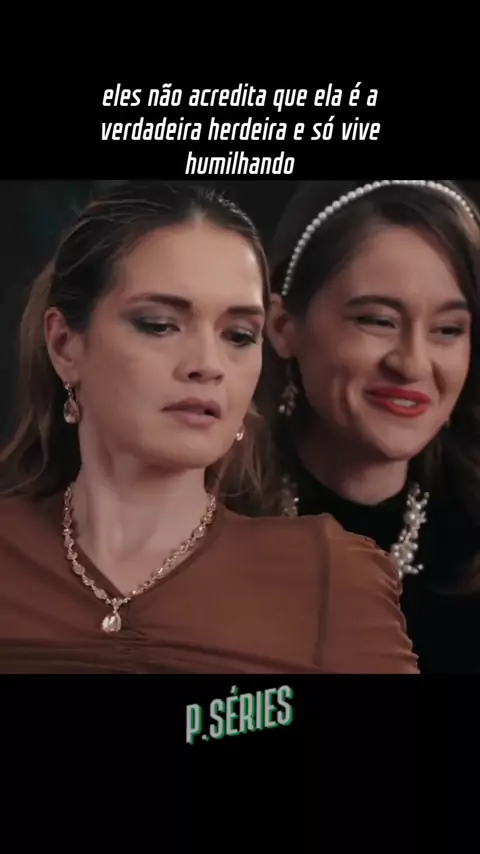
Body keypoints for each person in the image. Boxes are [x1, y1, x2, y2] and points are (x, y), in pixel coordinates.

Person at [0, 179, 418, 675]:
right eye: (160, 325)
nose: (207, 364)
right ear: (65, 344)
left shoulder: (329, 574)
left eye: (238, 335)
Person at [251, 179, 480, 674]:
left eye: (447, 330)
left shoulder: (469, 533)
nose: (413, 363)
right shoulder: (196, 526)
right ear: (284, 327)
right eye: (378, 320)